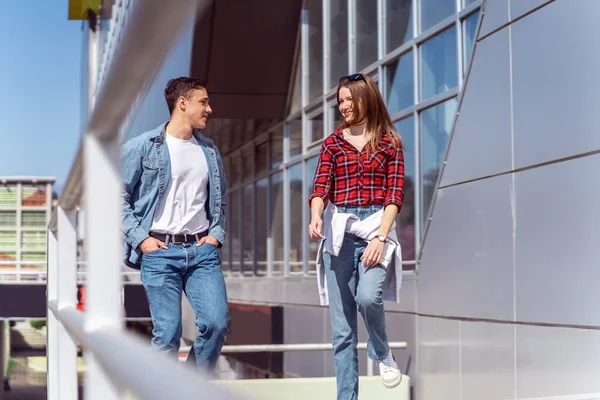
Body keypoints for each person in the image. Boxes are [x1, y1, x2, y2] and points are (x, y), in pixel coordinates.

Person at [121, 77, 228, 371]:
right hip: (159, 252)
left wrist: (216, 235)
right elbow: (116, 197)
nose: (209, 108)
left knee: (216, 324)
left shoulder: (209, 151)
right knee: (167, 336)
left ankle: (189, 387)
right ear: (183, 103)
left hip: (202, 251)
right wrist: (141, 239)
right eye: (203, 102)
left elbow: (220, 200)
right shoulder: (142, 147)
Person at [308, 73, 404, 399]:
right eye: (341, 101)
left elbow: (394, 197)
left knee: (368, 296)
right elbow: (321, 186)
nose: (343, 106)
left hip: (376, 229)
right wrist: (316, 214)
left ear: (366, 98)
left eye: (349, 99)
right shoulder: (333, 143)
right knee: (342, 332)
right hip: (340, 235)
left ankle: (382, 352)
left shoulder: (390, 142)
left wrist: (380, 237)